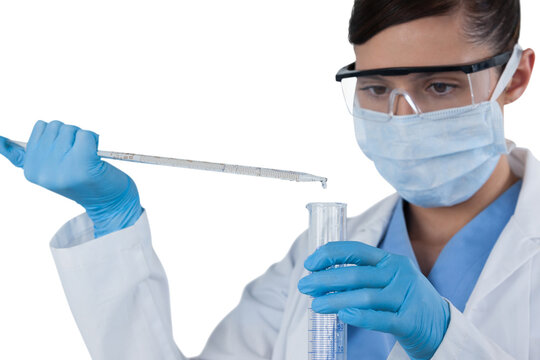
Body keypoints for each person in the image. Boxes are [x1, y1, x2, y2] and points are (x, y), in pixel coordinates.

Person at [0, 0, 538, 358]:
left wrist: (446, 341)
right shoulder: (323, 250)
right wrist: (111, 222)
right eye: (375, 88)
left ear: (514, 76)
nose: (402, 119)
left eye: (440, 87)